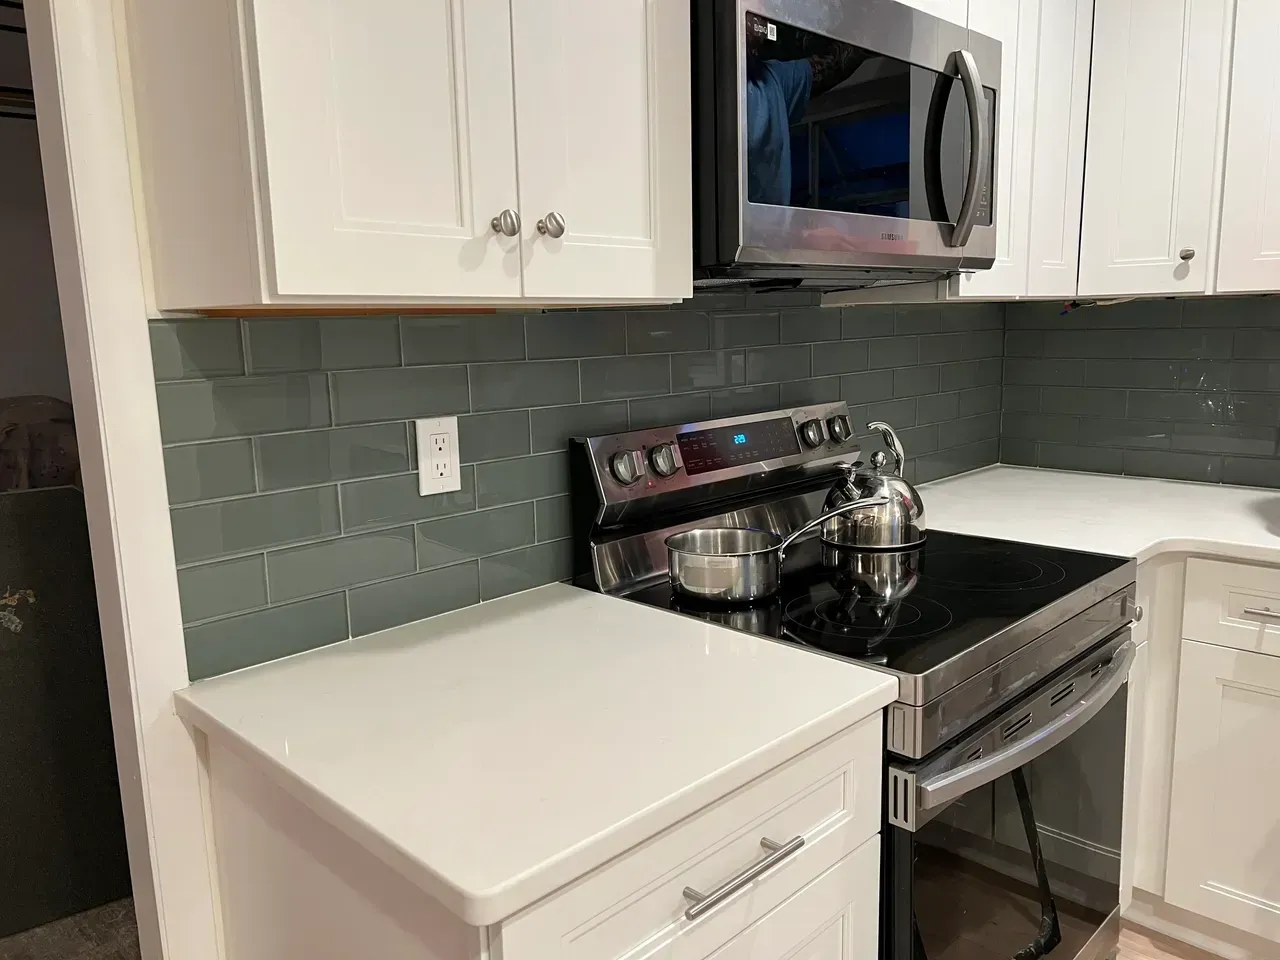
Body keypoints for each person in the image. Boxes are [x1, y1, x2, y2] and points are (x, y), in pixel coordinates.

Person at [745, 14, 867, 206]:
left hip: (767, 234)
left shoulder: (770, 81)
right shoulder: (690, 89)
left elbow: (835, 63)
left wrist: (877, 27)